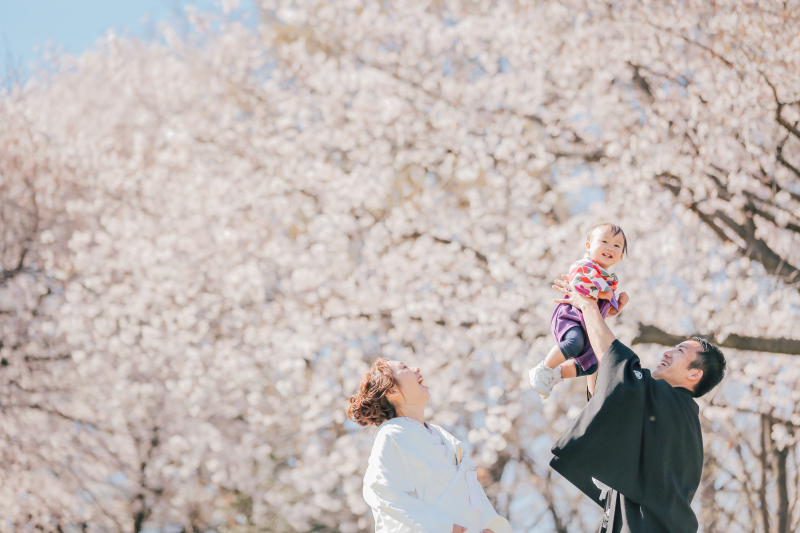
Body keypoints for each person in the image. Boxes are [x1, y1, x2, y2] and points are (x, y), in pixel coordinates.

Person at [547, 277, 726, 532]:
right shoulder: (667, 408)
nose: (667, 353)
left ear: (694, 374)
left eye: (679, 351)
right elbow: (606, 391)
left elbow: (621, 372)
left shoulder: (676, 405)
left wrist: (588, 308)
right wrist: (593, 328)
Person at [348, 359, 512, 533]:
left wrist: (491, 526)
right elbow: (379, 489)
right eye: (404, 368)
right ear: (391, 390)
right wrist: (442, 527)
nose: (416, 368)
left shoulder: (442, 436)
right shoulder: (391, 434)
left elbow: (469, 487)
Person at [530, 223, 630, 399]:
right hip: (571, 316)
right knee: (574, 343)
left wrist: (617, 307)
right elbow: (577, 284)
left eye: (616, 245)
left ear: (620, 255)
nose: (610, 247)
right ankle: (544, 368)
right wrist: (601, 293)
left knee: (590, 365)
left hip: (588, 324)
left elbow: (603, 311)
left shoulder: (608, 280)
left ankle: (556, 374)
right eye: (604, 241)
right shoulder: (585, 266)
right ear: (589, 246)